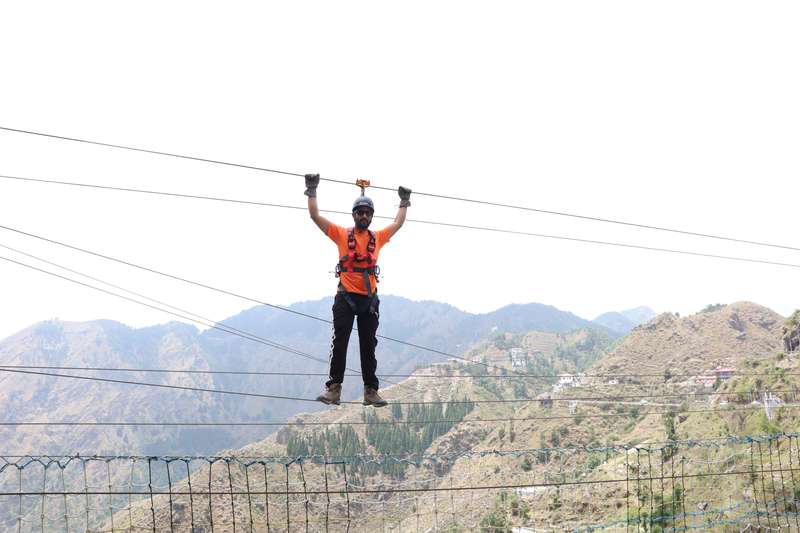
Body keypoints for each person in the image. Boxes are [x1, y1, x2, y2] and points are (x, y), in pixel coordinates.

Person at [304, 173, 411, 407]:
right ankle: (334, 389)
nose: (364, 216)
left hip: (369, 300)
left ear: (371, 216)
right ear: (354, 215)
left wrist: (404, 202)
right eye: (360, 212)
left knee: (368, 346)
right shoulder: (341, 234)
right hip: (345, 297)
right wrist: (312, 190)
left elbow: (398, 223)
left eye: (367, 213)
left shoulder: (378, 238)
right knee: (340, 343)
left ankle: (371, 391)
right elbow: (315, 216)